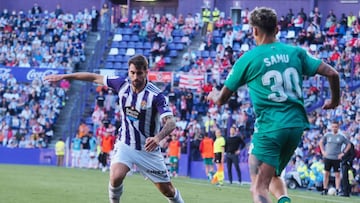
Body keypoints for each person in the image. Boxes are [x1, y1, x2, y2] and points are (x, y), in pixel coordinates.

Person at [207, 7, 340, 203]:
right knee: (272, 175)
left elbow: (221, 100)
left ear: (254, 31)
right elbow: (332, 73)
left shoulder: (248, 58)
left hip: (271, 126)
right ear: (277, 29)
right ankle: (283, 200)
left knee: (258, 186)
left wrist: (213, 94)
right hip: (295, 126)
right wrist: (335, 101)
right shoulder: (295, 52)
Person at [44, 55, 184, 203]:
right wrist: (65, 76)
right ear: (129, 72)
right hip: (126, 144)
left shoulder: (156, 95)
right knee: (116, 176)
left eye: (139, 73)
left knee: (167, 190)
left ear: (146, 72)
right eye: (132, 73)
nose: (135, 77)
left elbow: (171, 122)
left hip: (148, 150)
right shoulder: (121, 84)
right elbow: (93, 77)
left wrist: (157, 138)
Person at [319, 121, 352, 196]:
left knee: (337, 174)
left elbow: (349, 144)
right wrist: (323, 151)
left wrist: (343, 153)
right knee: (326, 173)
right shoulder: (328, 135)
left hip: (336, 158)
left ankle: (337, 190)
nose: (334, 128)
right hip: (328, 157)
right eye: (333, 127)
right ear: (331, 127)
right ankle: (325, 189)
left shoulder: (341, 136)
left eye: (336, 127)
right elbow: (321, 142)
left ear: (338, 127)